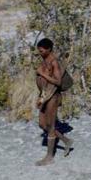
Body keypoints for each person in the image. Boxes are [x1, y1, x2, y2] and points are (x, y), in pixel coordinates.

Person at [35, 38, 73, 166]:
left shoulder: (54, 62)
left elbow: (57, 81)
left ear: (49, 49)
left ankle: (49, 157)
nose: (39, 53)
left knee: (50, 126)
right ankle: (66, 141)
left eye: (42, 50)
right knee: (42, 124)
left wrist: (42, 74)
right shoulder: (44, 60)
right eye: (39, 50)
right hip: (45, 96)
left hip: (53, 97)